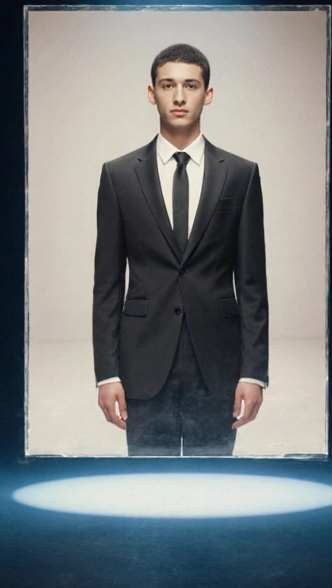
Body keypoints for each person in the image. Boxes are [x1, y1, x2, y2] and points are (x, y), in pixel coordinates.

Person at [93, 43, 268, 456]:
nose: (179, 96)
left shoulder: (241, 175)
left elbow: (252, 284)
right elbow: (107, 284)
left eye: (190, 85)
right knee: (149, 484)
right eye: (167, 85)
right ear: (151, 93)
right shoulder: (118, 176)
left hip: (218, 364)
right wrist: (106, 374)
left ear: (208, 94)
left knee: (214, 483)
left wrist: (254, 373)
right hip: (142, 362)